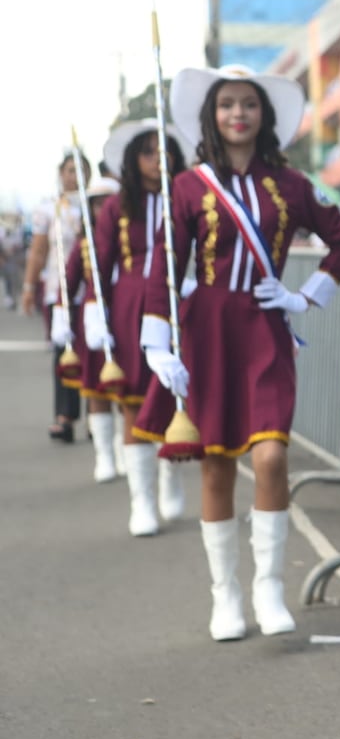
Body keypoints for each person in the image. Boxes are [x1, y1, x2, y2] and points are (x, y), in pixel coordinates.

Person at [132, 64, 340, 641]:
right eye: (227, 104)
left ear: (265, 116)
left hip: (264, 327)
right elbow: (166, 267)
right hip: (206, 329)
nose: (239, 113)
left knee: (269, 457)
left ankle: (269, 586)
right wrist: (156, 341)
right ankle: (225, 596)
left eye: (249, 104)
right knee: (214, 464)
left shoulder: (290, 184)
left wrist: (303, 294)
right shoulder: (187, 186)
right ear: (212, 116)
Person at [86, 118, 191, 535]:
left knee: (173, 397)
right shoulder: (115, 206)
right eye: (148, 152)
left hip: (179, 306)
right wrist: (97, 313)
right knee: (132, 403)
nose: (157, 159)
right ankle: (141, 500)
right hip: (131, 311)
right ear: (132, 159)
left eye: (164, 150)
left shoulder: (188, 197)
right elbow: (101, 263)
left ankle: (171, 474)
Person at [60, 177, 127, 484]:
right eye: (98, 203)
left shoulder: (134, 240)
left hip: (128, 320)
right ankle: (104, 455)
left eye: (108, 202)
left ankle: (126, 446)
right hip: (95, 322)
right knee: (98, 391)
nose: (104, 209)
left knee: (129, 389)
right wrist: (63, 315)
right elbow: (69, 281)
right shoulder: (84, 244)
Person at [25, 152, 91, 443]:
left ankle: (96, 416)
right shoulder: (49, 208)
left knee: (95, 352)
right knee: (63, 353)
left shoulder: (98, 204)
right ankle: (65, 417)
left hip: (92, 292)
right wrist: (28, 287)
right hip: (59, 289)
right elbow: (39, 250)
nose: (74, 176)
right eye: (68, 170)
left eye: (79, 170)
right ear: (60, 173)